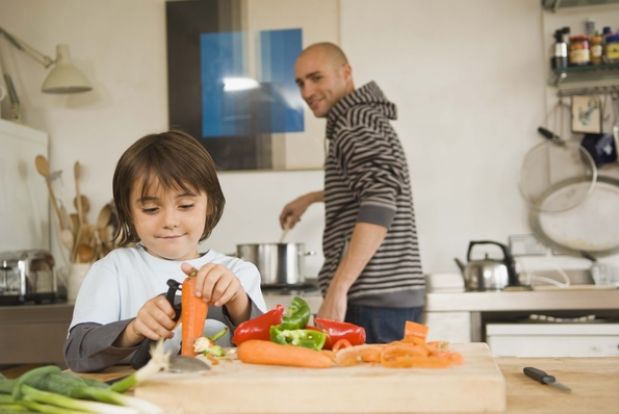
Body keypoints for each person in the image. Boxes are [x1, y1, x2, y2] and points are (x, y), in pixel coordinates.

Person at [65, 130, 266, 372]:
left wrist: (237, 303)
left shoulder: (237, 273)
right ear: (128, 212)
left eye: (186, 205)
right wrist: (134, 330)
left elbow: (268, 351)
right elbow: (77, 353)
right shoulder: (113, 270)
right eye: (151, 209)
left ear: (210, 205)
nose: (170, 220)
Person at [279, 43, 424, 343]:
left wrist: (338, 288)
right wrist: (314, 197)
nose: (306, 92)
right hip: (386, 296)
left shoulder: (353, 124)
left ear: (346, 73)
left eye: (316, 78)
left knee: (366, 391)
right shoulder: (364, 118)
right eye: (300, 83)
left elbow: (381, 199)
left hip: (371, 300)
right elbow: (372, 186)